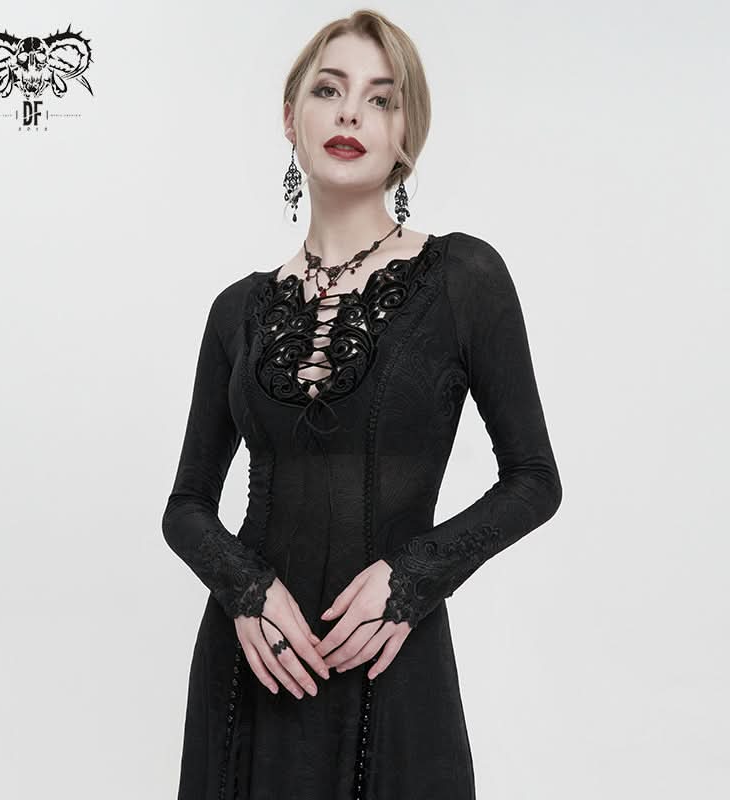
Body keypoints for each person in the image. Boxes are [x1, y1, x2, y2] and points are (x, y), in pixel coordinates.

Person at [161, 9, 562, 799]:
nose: (351, 113)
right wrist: (245, 590)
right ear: (290, 118)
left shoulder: (463, 279)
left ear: (407, 133)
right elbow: (186, 506)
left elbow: (534, 479)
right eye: (329, 90)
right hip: (250, 672)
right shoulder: (236, 311)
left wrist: (412, 579)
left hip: (392, 663)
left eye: (382, 99)